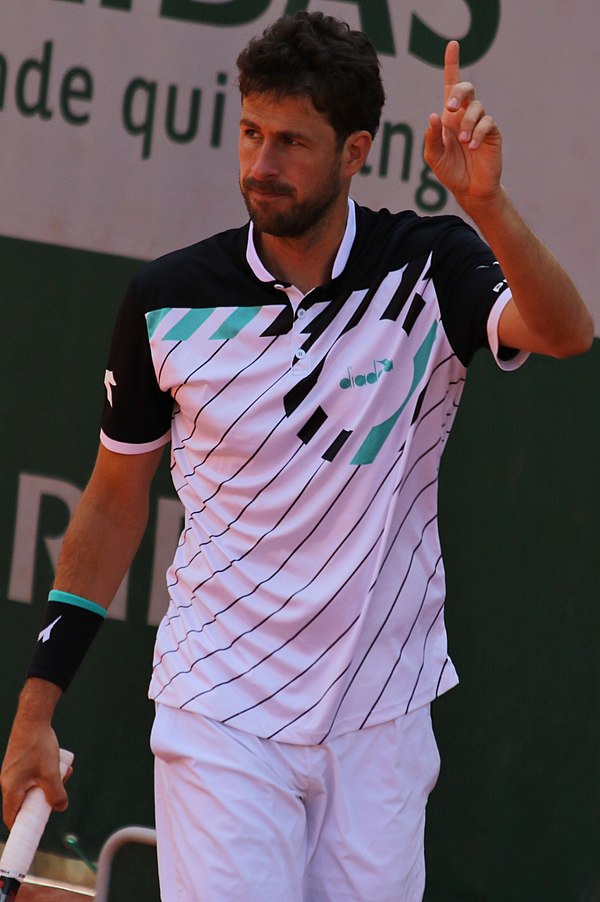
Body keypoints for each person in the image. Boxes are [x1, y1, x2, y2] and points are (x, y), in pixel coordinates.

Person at [1, 11, 593, 902]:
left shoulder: (429, 267)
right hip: (221, 706)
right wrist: (37, 704)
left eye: (290, 142)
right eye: (249, 133)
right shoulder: (167, 300)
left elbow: (565, 331)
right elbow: (115, 500)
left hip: (381, 716)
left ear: (356, 152)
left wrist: (483, 205)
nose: (259, 165)